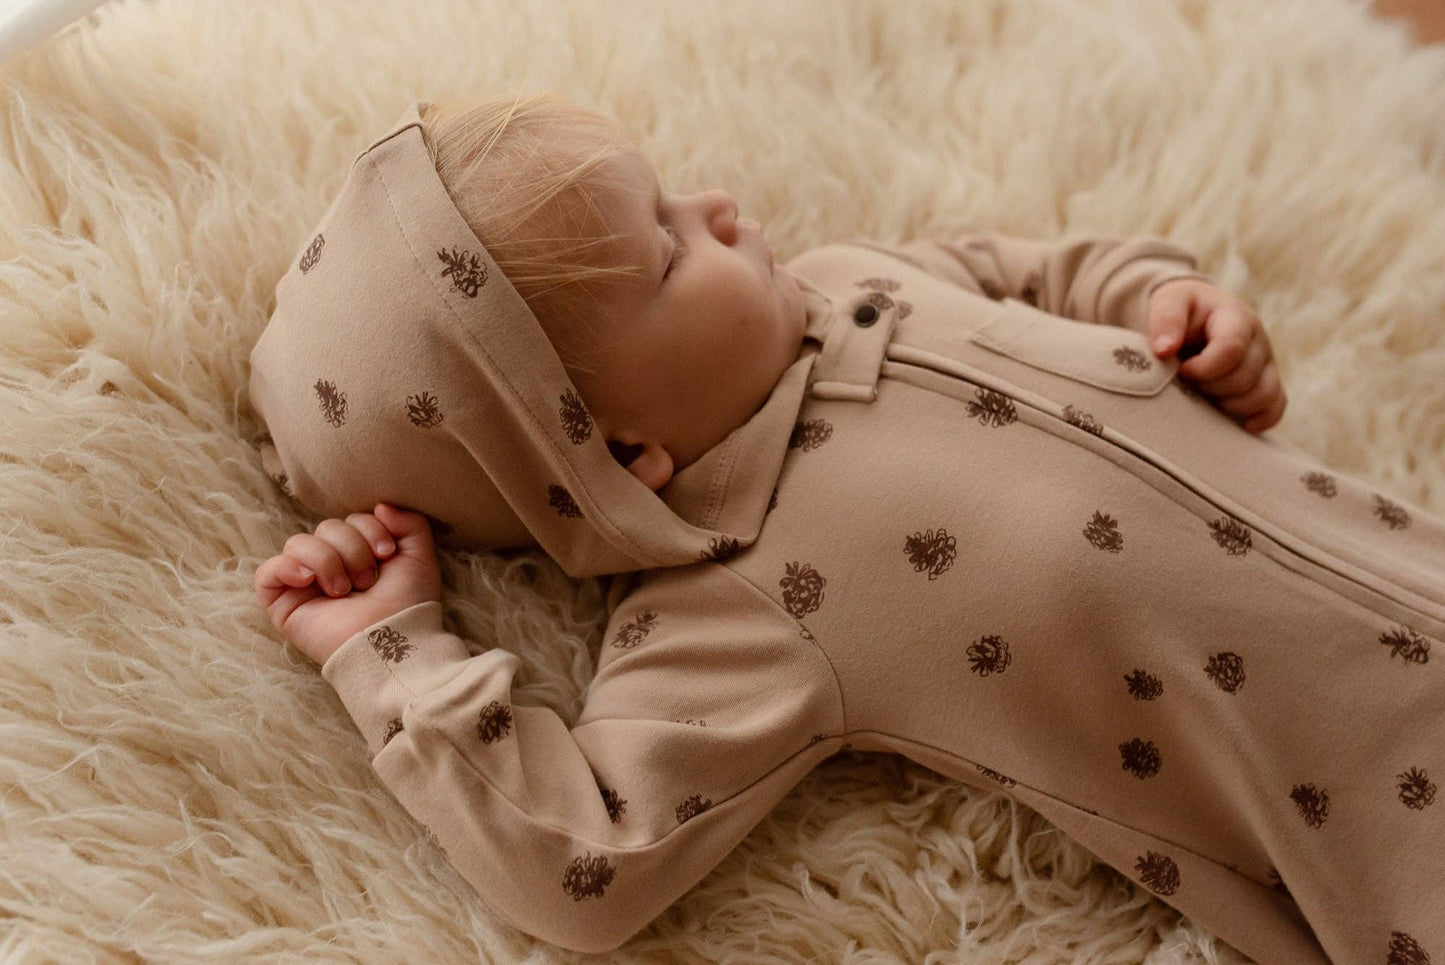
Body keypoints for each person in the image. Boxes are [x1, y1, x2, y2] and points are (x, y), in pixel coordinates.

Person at [248, 93, 1444, 961]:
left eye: (669, 190)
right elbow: (583, 858)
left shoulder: (855, 275)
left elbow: (1028, 272)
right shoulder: (738, 596)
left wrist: (1160, 301)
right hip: (1385, 834)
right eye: (669, 245)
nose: (716, 207)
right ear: (615, 453)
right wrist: (398, 650)